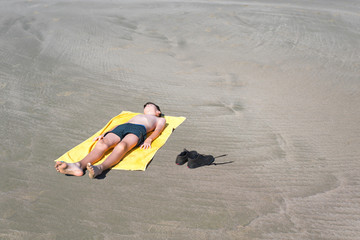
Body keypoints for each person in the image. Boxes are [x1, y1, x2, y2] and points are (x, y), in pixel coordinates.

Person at [55, 102, 166, 178]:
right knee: (103, 143)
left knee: (122, 146)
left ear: (158, 112)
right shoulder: (136, 115)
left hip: (139, 129)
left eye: (150, 106)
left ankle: (100, 168)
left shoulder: (159, 119)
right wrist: (104, 134)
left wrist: (149, 140)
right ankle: (78, 165)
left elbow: (158, 131)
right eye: (146, 106)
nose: (147, 106)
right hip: (124, 126)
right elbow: (119, 125)